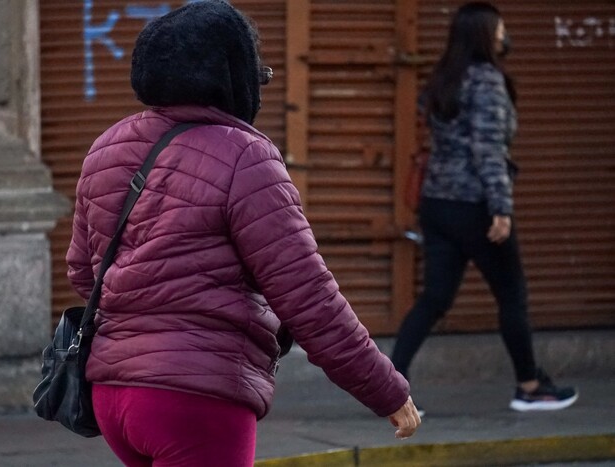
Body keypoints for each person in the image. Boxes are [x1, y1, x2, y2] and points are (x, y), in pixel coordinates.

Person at [66, 1, 420, 465]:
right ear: (235, 77)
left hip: (112, 397)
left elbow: (81, 269)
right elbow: (308, 297)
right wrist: (385, 389)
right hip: (195, 400)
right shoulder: (246, 157)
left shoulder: (106, 147)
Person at [391, 2, 578, 414]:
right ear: (485, 35)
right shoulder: (487, 82)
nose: (503, 35)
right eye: (499, 29)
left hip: (437, 204)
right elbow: (488, 151)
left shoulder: (444, 80)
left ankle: (387, 387)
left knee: (434, 298)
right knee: (512, 293)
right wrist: (501, 208)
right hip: (474, 206)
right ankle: (529, 386)